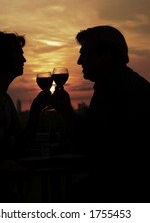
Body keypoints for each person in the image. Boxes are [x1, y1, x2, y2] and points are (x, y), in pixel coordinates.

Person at [52, 25, 150, 202]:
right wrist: (66, 112)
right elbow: (93, 134)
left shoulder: (131, 91)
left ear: (106, 55)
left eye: (85, 54)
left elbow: (103, 147)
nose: (79, 61)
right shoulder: (107, 87)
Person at [0, 31, 51, 202]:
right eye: (19, 54)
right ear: (1, 57)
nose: (24, 60)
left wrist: (36, 111)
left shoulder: (5, 100)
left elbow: (21, 145)